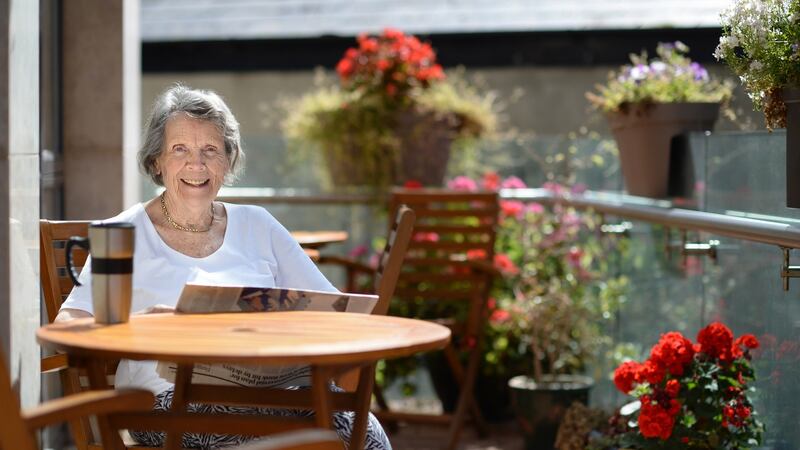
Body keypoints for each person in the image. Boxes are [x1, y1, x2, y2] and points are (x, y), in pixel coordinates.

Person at [56, 84, 392, 450]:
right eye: (180, 149)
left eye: (210, 151)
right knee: (305, 433)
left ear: (228, 161)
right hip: (165, 401)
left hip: (273, 391)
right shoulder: (124, 233)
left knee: (363, 430)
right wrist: (143, 327)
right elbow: (69, 324)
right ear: (157, 161)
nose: (196, 165)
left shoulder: (258, 224)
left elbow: (333, 311)